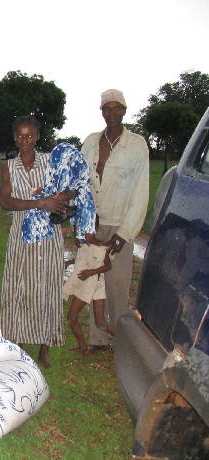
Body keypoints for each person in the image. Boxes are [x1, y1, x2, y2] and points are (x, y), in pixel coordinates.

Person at [0, 116, 75, 368]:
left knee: (46, 287)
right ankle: (18, 343)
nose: (25, 141)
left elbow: (75, 185)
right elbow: (6, 202)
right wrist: (40, 203)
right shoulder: (8, 166)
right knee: (19, 285)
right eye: (20, 136)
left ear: (38, 137)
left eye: (29, 135)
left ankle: (45, 344)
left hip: (48, 237)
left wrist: (61, 196)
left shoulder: (51, 161)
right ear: (14, 138)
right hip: (21, 235)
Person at [81, 89, 149, 352]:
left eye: (116, 108)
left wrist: (125, 234)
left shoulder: (136, 144)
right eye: (107, 109)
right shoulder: (90, 142)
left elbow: (141, 192)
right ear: (101, 111)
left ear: (124, 110)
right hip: (94, 223)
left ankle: (121, 340)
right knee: (93, 283)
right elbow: (80, 182)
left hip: (120, 223)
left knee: (118, 285)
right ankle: (97, 339)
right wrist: (84, 225)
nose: (111, 113)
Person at [64, 217, 114, 355]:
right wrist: (71, 262)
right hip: (92, 283)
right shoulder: (83, 244)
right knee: (99, 322)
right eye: (83, 231)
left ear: (96, 230)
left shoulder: (100, 246)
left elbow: (108, 265)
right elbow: (85, 258)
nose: (85, 235)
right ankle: (83, 346)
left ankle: (126, 340)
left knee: (74, 317)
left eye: (89, 231)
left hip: (92, 284)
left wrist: (91, 272)